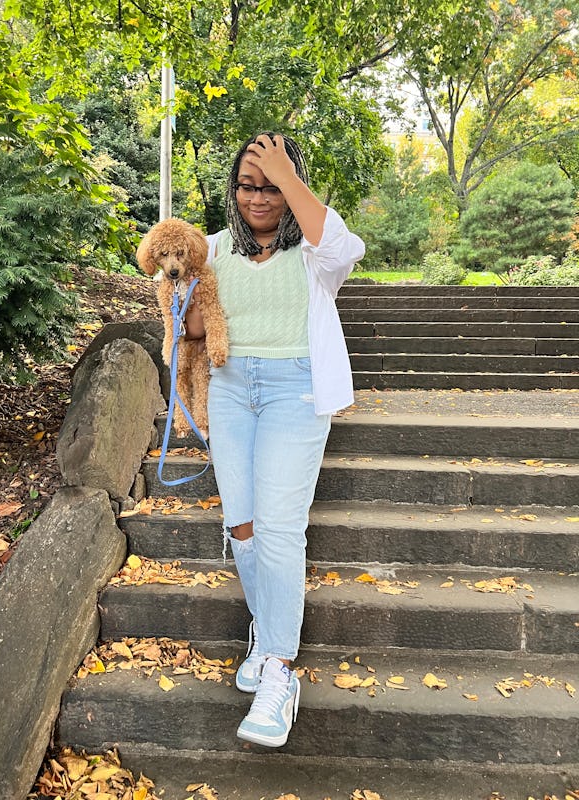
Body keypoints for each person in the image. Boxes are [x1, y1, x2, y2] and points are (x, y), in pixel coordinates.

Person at [183, 131, 365, 748]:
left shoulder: (315, 253)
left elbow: (344, 243)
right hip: (231, 388)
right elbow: (186, 316)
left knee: (281, 526)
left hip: (294, 389)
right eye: (246, 184)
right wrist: (187, 310)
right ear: (231, 191)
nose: (258, 197)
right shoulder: (212, 250)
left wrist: (286, 172)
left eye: (270, 185)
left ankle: (279, 671)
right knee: (243, 524)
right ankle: (265, 630)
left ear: (288, 187)